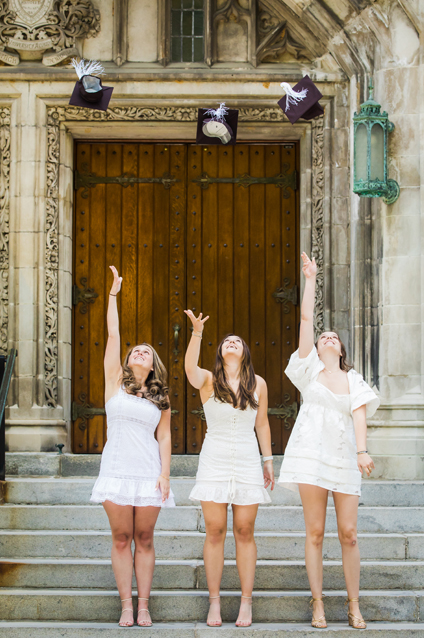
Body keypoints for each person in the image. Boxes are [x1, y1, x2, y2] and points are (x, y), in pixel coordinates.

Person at [278, 252, 379, 629]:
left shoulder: (354, 381)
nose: (328, 338)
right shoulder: (309, 371)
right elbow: (306, 319)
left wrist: (362, 451)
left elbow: (359, 415)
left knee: (349, 533)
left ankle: (354, 604)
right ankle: (318, 602)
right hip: (310, 456)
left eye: (333, 336)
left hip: (343, 459)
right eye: (324, 337)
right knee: (316, 531)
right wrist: (310, 279)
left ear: (341, 349)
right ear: (318, 349)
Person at [90, 266, 175, 627]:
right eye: (135, 350)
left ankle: (144, 606)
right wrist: (113, 295)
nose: (139, 352)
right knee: (122, 537)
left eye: (146, 352)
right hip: (116, 470)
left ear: (153, 364)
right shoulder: (114, 383)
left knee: (144, 536)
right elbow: (113, 334)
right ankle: (126, 604)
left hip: (148, 473)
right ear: (127, 360)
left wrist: (165, 474)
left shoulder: (161, 397)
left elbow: (166, 437)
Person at [184, 310, 275, 628]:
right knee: (215, 531)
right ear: (221, 352)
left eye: (238, 342)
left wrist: (268, 460)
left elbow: (262, 424)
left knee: (245, 531)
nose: (232, 343)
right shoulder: (208, 380)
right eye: (227, 342)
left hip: (248, 459)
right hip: (215, 458)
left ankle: (246, 603)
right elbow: (189, 370)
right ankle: (214, 602)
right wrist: (196, 333)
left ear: (245, 351)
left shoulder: (258, 383)